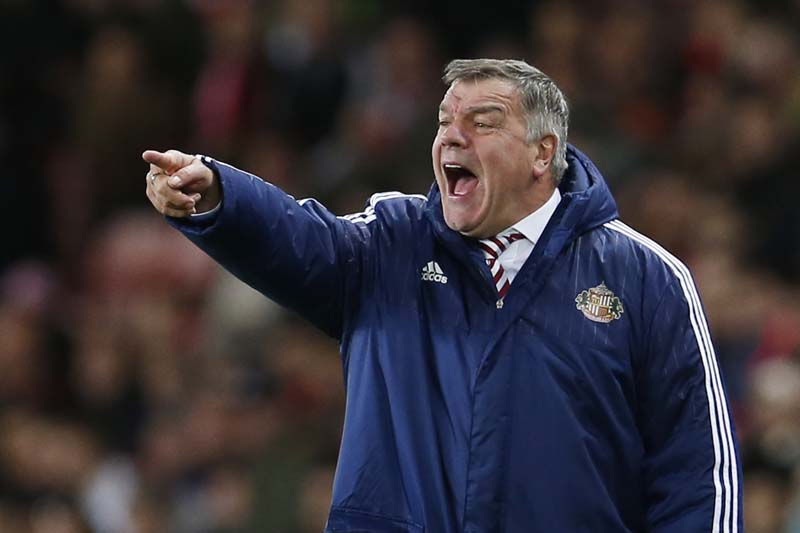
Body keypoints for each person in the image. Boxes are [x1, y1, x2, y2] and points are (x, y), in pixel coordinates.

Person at [143, 59, 742, 532]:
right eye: (444, 121)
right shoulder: (391, 245)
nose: (452, 138)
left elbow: (699, 473)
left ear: (544, 152)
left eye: (482, 123)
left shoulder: (647, 278)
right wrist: (221, 193)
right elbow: (299, 238)